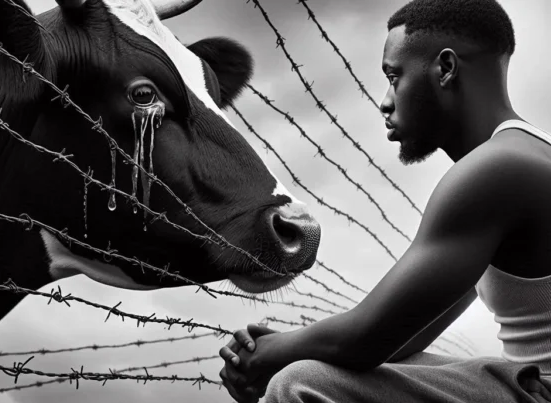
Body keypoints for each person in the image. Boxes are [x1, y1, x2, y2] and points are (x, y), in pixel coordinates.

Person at [217, 0, 551, 402]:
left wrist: (279, 353)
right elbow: (401, 335)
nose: (386, 101)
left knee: (301, 383)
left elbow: (366, 337)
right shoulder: (525, 155)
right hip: (531, 383)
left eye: (395, 76)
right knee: (324, 368)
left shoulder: (497, 170)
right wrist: (288, 351)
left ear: (445, 69)